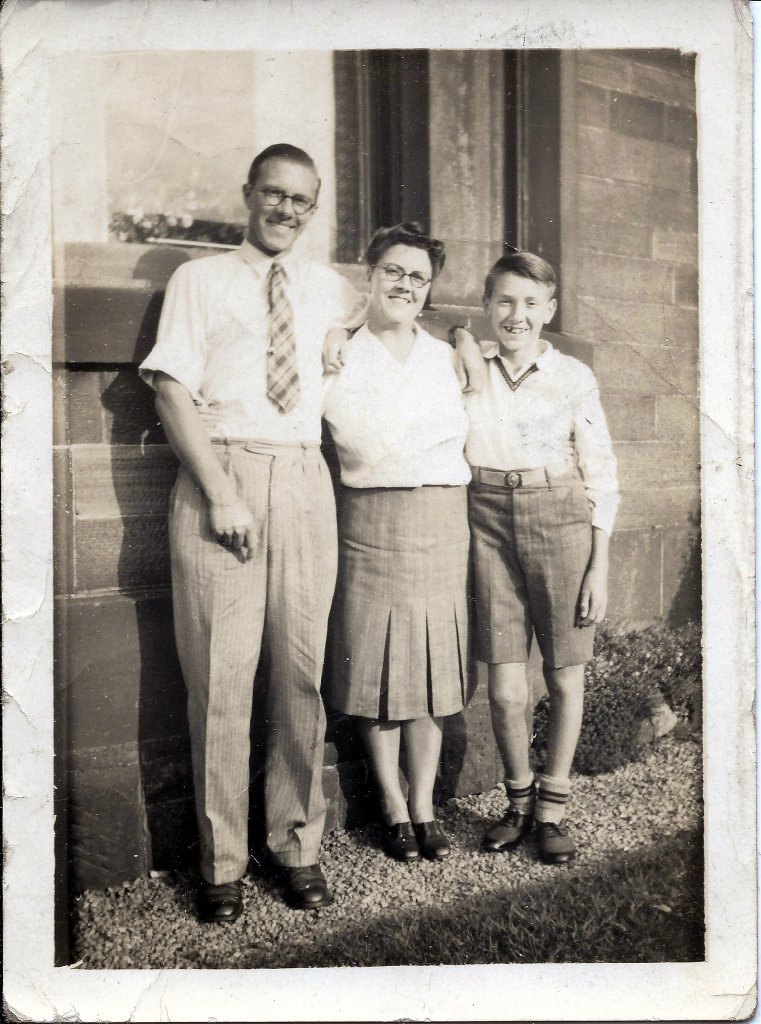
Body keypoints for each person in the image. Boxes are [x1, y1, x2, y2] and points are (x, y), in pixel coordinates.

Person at [139, 144, 366, 922]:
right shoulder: (198, 280)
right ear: (247, 195)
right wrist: (222, 493)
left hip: (304, 479)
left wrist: (366, 332)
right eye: (273, 195)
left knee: (301, 675)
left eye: (301, 201)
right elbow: (170, 390)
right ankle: (222, 863)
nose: (286, 211)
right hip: (222, 481)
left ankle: (296, 846)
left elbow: (382, 316)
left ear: (314, 207)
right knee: (221, 680)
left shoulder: (330, 288)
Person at [457, 251, 620, 864]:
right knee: (503, 684)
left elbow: (601, 469)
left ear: (550, 309)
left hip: (561, 515)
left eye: (530, 303)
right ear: (486, 306)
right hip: (487, 516)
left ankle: (553, 806)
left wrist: (598, 564)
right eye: (504, 301)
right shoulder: (466, 365)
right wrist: (456, 338)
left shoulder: (572, 375)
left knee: (562, 672)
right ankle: (518, 798)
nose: (516, 315)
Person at [322, 222, 472, 862]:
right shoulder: (337, 352)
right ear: (370, 274)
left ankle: (425, 804)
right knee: (380, 668)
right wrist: (338, 330)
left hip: (441, 521)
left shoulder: (449, 355)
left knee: (432, 670)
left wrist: (465, 333)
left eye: (418, 277)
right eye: (393, 271)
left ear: (430, 288)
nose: (405, 285)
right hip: (369, 522)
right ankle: (390, 804)